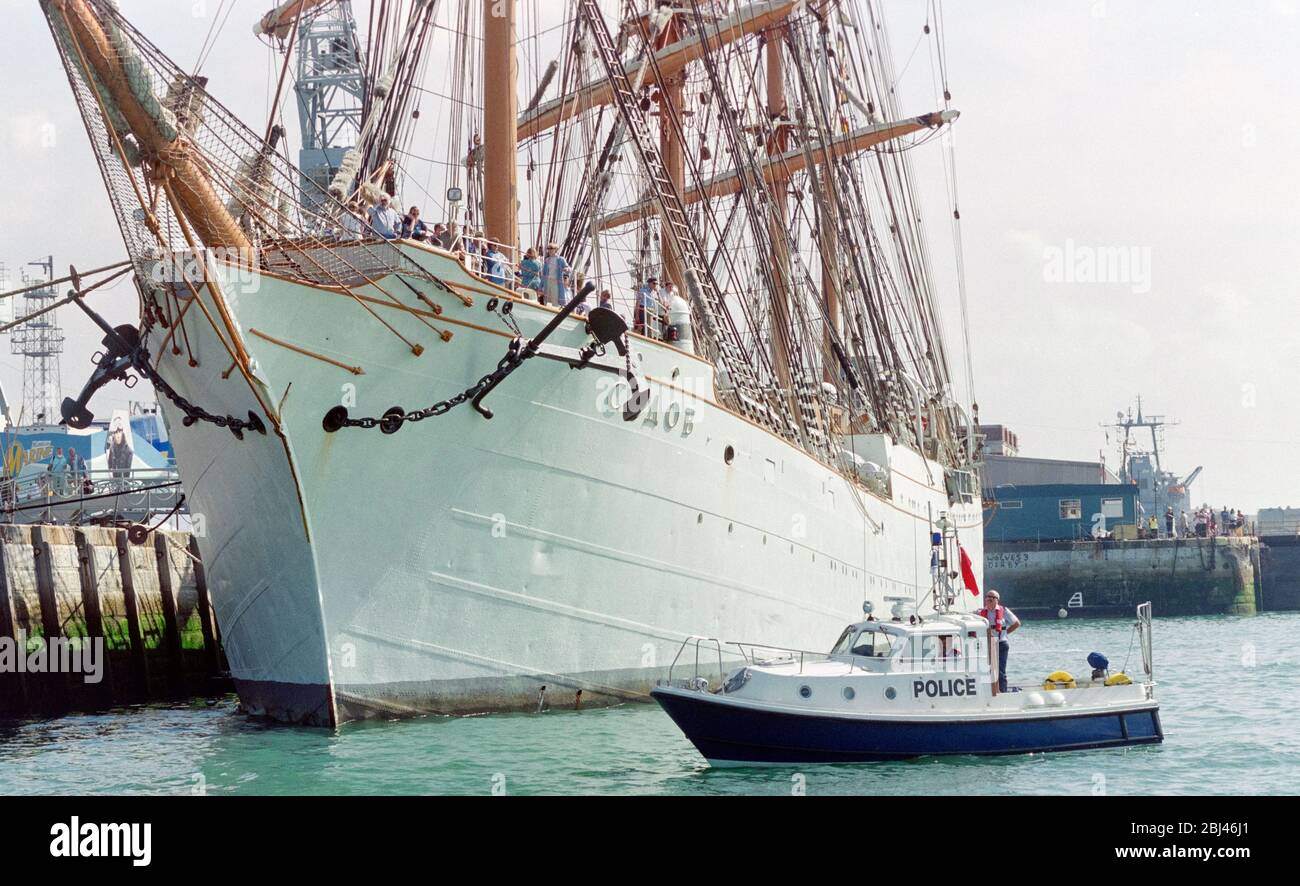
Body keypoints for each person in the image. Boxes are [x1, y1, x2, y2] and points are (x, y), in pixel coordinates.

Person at [978, 589, 1020, 694]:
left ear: (997, 600)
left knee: (1001, 671)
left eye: (992, 597)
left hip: (1001, 644)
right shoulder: (980, 612)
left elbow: (1016, 623)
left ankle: (1003, 691)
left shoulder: (1004, 611)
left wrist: (1005, 634)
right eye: (987, 597)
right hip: (987, 644)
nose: (989, 599)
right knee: (986, 669)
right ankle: (989, 692)